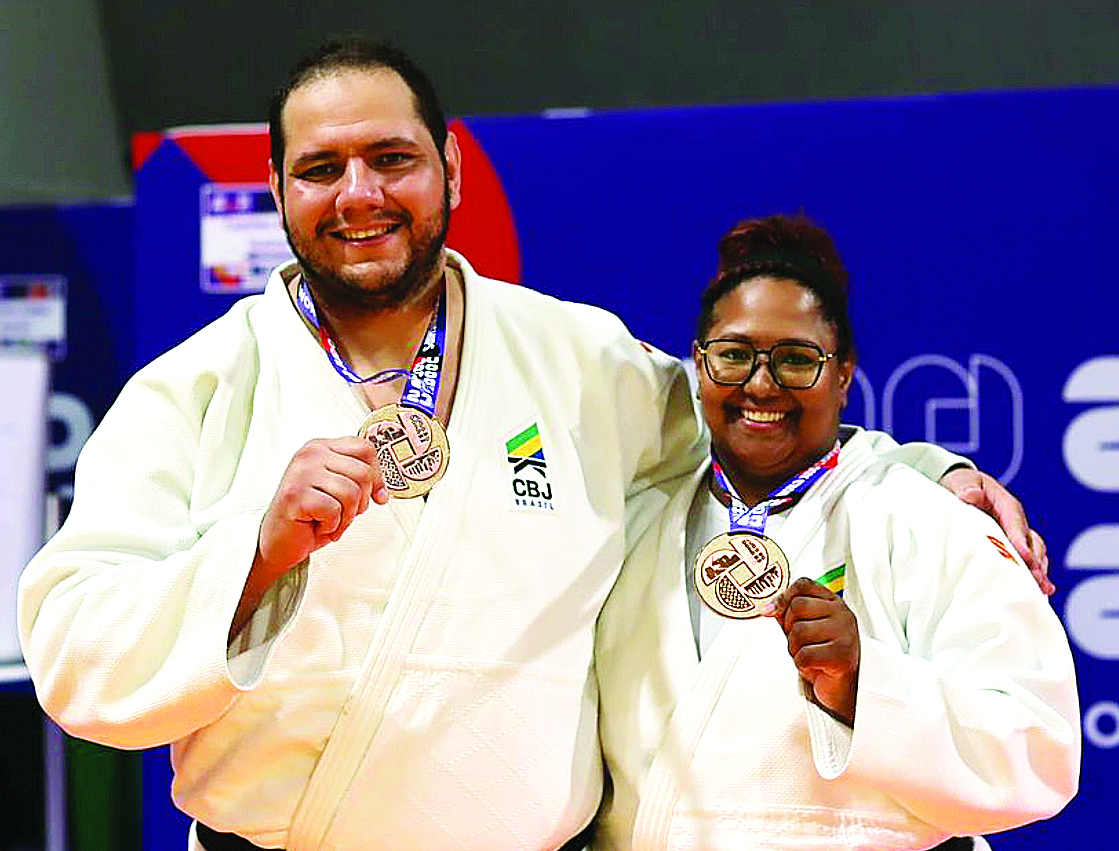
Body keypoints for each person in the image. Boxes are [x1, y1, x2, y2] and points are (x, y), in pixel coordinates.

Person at [18, 38, 1051, 851]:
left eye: (392, 158)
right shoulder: (193, 388)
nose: (361, 194)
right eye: (321, 167)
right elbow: (72, 647)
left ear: (451, 169)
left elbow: (750, 422)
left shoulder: (572, 354)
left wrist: (926, 467)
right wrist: (255, 553)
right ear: (279, 188)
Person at [593, 214, 1080, 851]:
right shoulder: (634, 520)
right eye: (734, 356)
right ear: (698, 365)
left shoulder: (928, 520)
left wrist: (865, 683)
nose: (760, 385)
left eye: (796, 361)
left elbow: (1039, 752)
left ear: (844, 374)